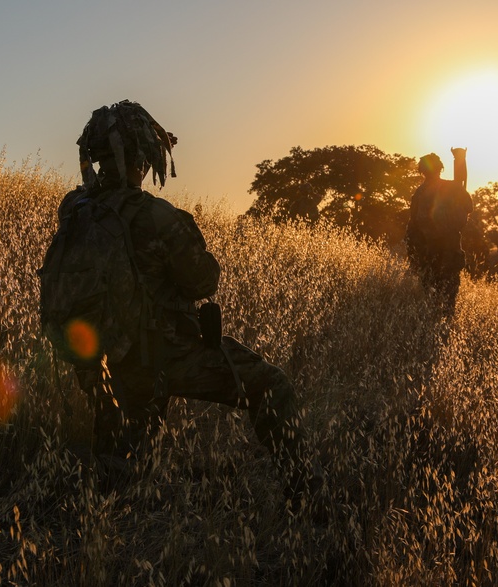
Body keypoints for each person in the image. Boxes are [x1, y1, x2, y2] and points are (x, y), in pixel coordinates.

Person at [46, 100, 323, 508]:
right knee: (270, 384)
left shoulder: (74, 209)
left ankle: (96, 525)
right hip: (161, 357)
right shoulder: (155, 216)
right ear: (143, 158)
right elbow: (202, 281)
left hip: (99, 359)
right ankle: (304, 495)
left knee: (120, 467)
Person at [405, 147, 474, 308]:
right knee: (448, 298)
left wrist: (414, 256)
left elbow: (412, 226)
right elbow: (468, 207)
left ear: (421, 171)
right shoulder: (452, 187)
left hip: (429, 254)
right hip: (445, 251)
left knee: (430, 297)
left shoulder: (419, 194)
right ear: (440, 169)